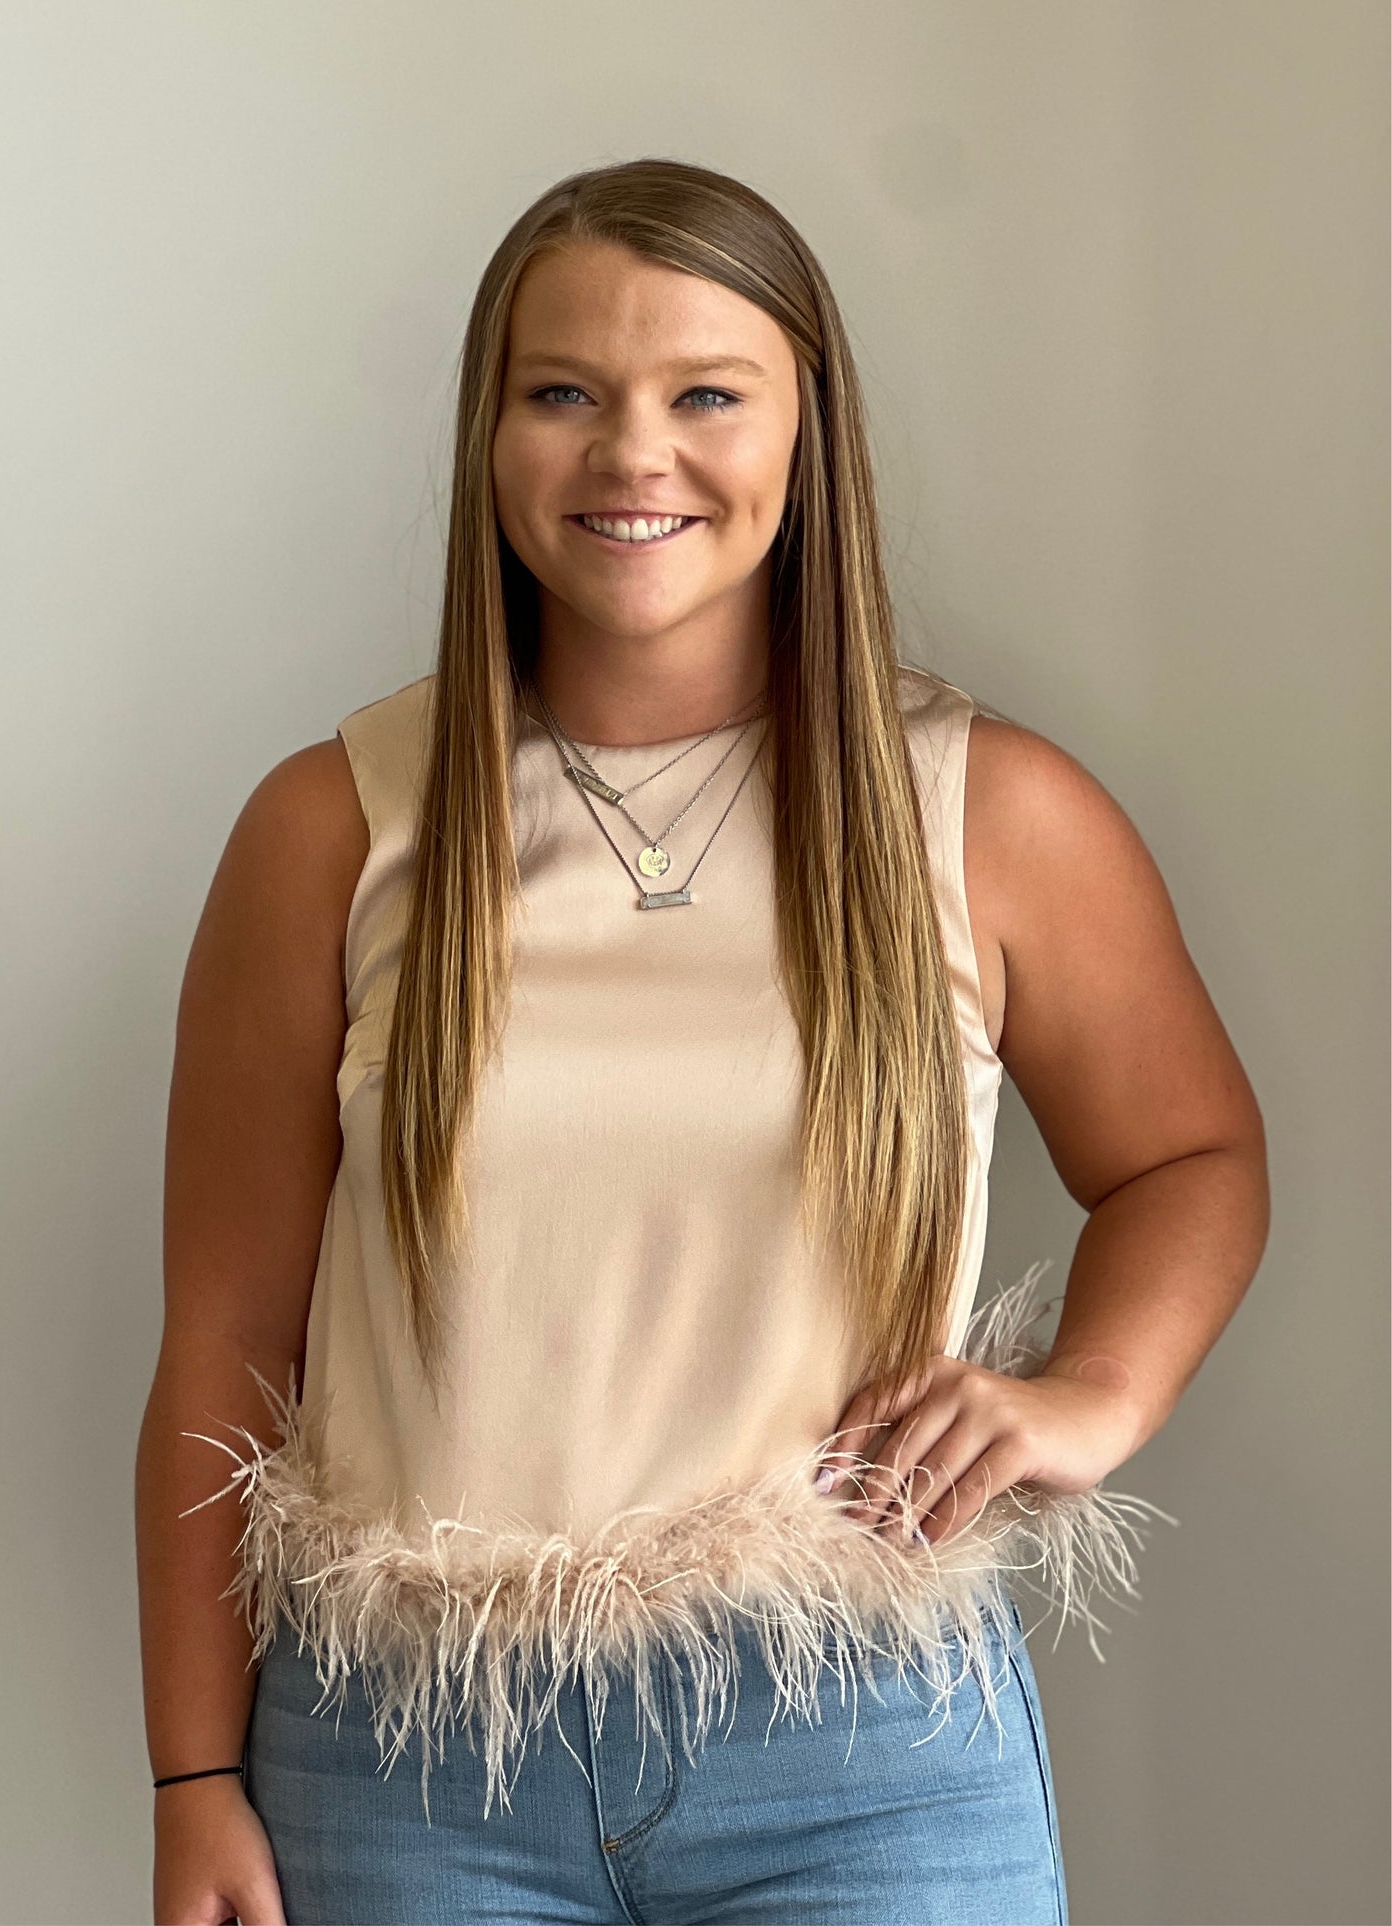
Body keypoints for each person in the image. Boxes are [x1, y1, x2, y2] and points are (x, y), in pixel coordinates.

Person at [136, 156, 1269, 1926]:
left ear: (804, 434)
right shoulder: (332, 828)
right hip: (411, 1761)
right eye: (562, 393)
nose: (630, 455)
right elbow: (221, 1338)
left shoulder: (987, 811)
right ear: (486, 434)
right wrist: (192, 1777)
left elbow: (1188, 1156)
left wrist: (1092, 1398)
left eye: (705, 394)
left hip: (861, 1746)